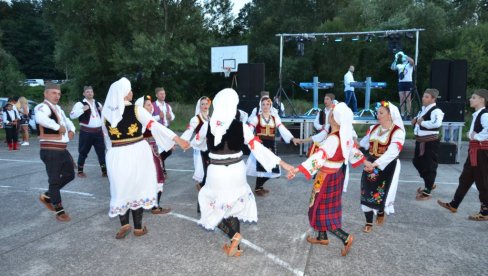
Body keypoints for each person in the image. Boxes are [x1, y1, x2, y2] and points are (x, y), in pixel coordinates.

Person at [196, 88, 294, 257]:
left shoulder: (207, 125)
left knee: (208, 204)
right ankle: (238, 247)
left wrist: (180, 141)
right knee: (233, 205)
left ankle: (234, 236)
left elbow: (197, 143)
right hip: (236, 171)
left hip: (216, 172)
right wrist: (282, 163)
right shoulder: (242, 127)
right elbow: (258, 148)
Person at [102, 78, 189, 239]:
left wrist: (110, 157)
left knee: (121, 187)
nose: (131, 93)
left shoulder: (106, 114)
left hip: (116, 154)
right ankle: (138, 228)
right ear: (123, 93)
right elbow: (155, 126)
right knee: (138, 187)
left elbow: (106, 138)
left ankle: (124, 224)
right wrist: (177, 139)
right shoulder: (136, 110)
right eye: (129, 90)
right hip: (136, 151)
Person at [288, 103, 366, 257]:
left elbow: (320, 156)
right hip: (335, 175)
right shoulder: (343, 136)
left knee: (323, 210)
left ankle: (346, 237)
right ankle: (322, 237)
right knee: (321, 206)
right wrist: (366, 162)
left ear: (335, 119)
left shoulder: (333, 139)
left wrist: (298, 169)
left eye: (332, 113)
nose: (329, 114)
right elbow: (352, 152)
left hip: (327, 177)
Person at [438, 89, 488, 221]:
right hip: (474, 152)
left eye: (474, 97)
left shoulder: (485, 115)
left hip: (481, 153)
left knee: (482, 181)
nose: (470, 99)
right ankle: (454, 204)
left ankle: (485, 211)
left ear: (482, 100)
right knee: (465, 178)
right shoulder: (478, 114)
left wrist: (474, 136)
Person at [359, 101, 405, 233]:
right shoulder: (373, 128)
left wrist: (375, 164)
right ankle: (368, 221)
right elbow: (363, 143)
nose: (378, 115)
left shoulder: (398, 132)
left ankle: (380, 211)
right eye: (377, 112)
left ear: (390, 115)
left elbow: (392, 152)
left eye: (381, 113)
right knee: (366, 192)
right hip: (370, 163)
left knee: (381, 193)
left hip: (387, 166)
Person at [36, 83, 76, 222]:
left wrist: (72, 130)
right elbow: (41, 119)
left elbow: (69, 121)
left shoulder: (58, 108)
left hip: (62, 149)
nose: (57, 96)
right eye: (53, 93)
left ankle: (47, 196)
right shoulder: (42, 107)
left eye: (58, 94)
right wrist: (58, 127)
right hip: (50, 150)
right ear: (45, 94)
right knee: (54, 180)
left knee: (70, 175)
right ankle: (59, 211)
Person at [246, 96, 300, 196]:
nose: (265, 106)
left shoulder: (275, 119)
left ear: (270, 105)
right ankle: (258, 188)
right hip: (260, 146)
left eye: (267, 104)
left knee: (273, 168)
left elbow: (283, 129)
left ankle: (259, 187)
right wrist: (248, 140)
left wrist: (292, 138)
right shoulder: (256, 118)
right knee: (261, 167)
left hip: (271, 146)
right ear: (260, 106)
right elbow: (248, 131)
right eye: (263, 104)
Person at [135, 95, 171, 215]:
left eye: (151, 104)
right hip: (147, 151)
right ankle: (153, 206)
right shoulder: (143, 121)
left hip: (152, 149)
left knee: (153, 176)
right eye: (148, 105)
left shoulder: (148, 119)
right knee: (157, 176)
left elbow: (159, 132)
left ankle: (151, 204)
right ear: (141, 107)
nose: (151, 107)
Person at [412, 88, 444, 200]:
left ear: (433, 99)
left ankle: (428, 190)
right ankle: (429, 182)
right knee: (416, 161)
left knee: (429, 165)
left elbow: (437, 124)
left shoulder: (436, 111)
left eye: (426, 97)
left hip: (430, 142)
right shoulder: (423, 110)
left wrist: (422, 122)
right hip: (420, 141)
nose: (423, 98)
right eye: (423, 96)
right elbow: (419, 122)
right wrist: (415, 121)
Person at [69, 86, 107, 177]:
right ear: (84, 94)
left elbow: (105, 117)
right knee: (83, 152)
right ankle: (80, 171)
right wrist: (82, 109)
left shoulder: (98, 103)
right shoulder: (80, 104)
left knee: (101, 152)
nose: (90, 93)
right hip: (86, 132)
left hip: (98, 132)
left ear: (93, 93)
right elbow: (72, 115)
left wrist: (103, 111)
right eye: (87, 92)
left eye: (91, 92)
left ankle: (104, 171)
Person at [181, 96, 211, 191]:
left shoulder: (210, 117)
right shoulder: (196, 119)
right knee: (203, 169)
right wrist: (182, 141)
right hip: (199, 147)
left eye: (206, 104)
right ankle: (202, 187)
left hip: (209, 147)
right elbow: (189, 130)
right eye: (202, 104)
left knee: (209, 169)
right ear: (199, 106)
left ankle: (204, 187)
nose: (205, 106)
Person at [152, 87, 175, 176]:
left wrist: (170, 117)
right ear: (156, 95)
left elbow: (172, 116)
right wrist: (158, 117)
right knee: (160, 150)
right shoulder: (153, 105)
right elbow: (148, 118)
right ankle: (162, 169)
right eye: (161, 94)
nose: (163, 95)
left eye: (164, 93)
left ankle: (159, 164)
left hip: (166, 130)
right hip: (158, 131)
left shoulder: (167, 106)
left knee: (169, 149)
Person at [390, 51, 415, 118]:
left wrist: (404, 55)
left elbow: (412, 61)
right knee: (402, 99)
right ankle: (402, 114)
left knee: (408, 99)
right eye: (403, 58)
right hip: (401, 83)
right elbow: (392, 68)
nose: (403, 59)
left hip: (408, 82)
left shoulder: (409, 65)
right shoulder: (399, 65)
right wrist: (396, 58)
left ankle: (409, 113)